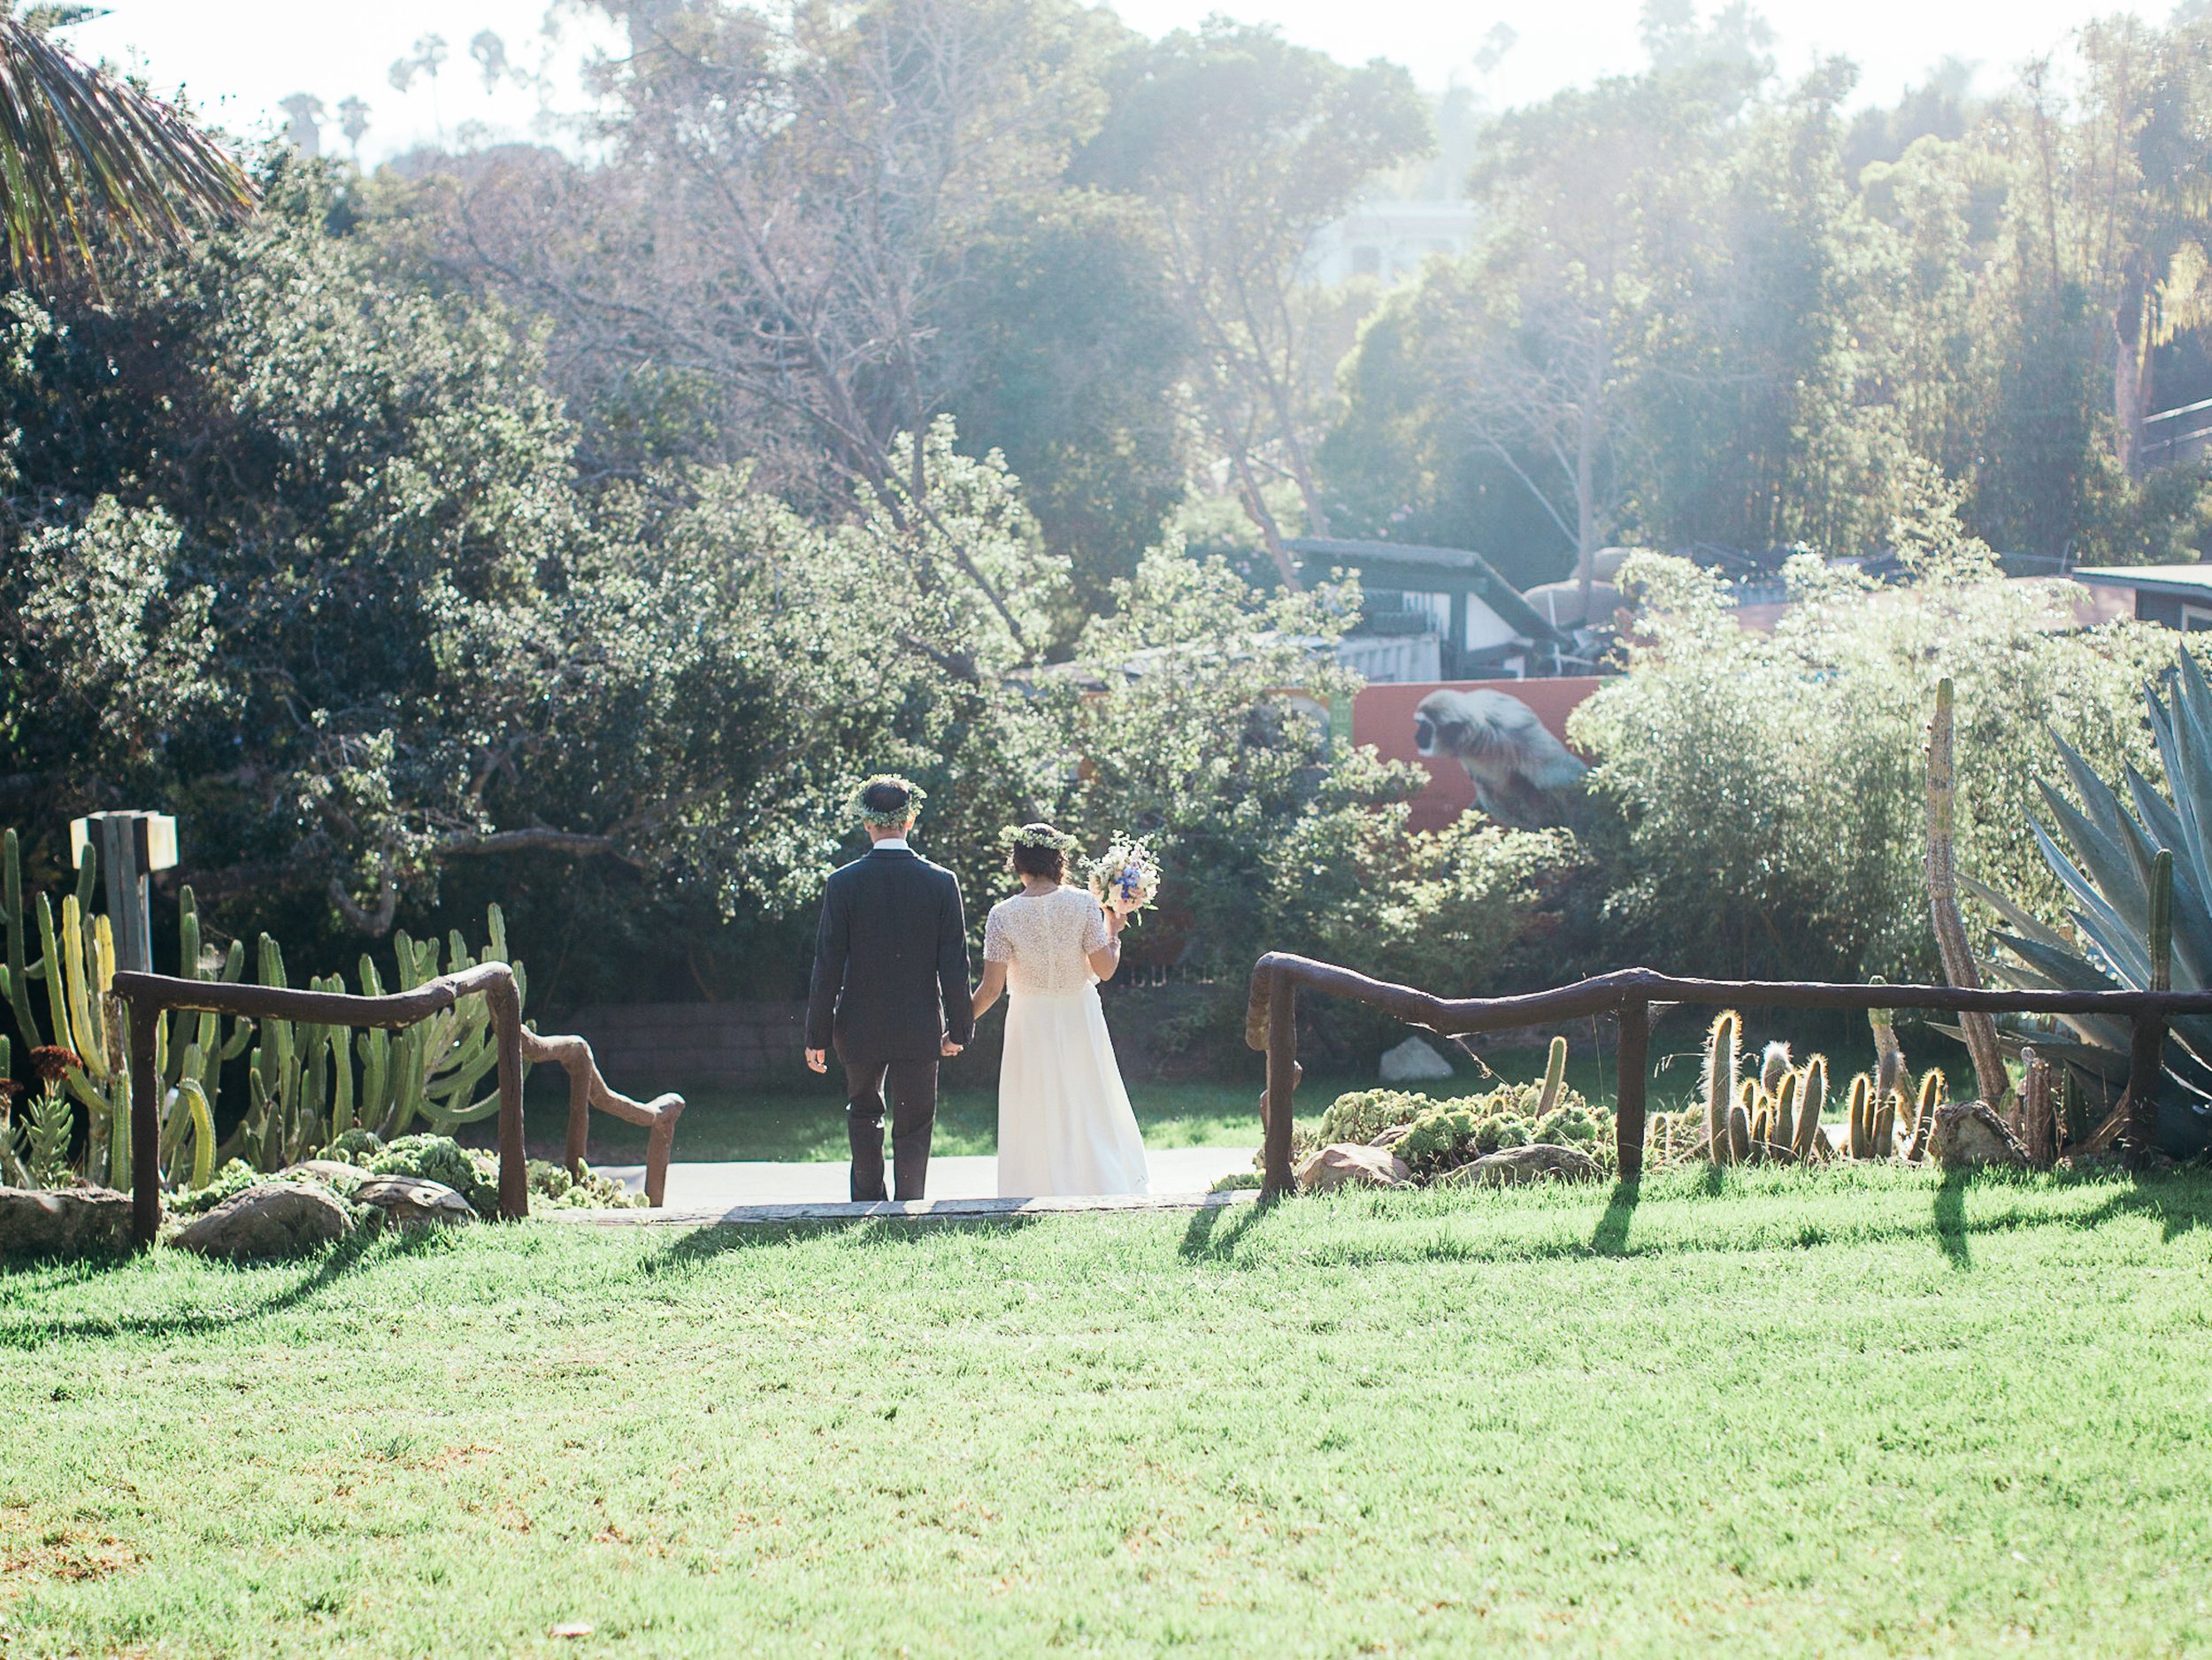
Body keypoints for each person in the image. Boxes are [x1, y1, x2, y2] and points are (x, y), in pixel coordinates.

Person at [804, 775, 973, 1202]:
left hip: (858, 1024)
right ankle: (910, 1202)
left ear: (866, 822)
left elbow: (827, 966)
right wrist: (960, 1029)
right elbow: (954, 964)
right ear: (910, 820)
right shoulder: (940, 881)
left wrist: (816, 1035)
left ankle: (866, 1201)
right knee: (916, 1120)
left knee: (864, 1112)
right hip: (919, 1025)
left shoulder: (843, 883)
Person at [971, 824, 1148, 1197]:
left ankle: (1035, 1185)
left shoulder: (1002, 915)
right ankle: (1099, 1180)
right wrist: (1114, 930)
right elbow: (1105, 970)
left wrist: (957, 1027)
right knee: (1087, 1097)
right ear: (1059, 861)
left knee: (1034, 1102)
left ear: (1017, 863)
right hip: (1078, 1015)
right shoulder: (1083, 903)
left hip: (1029, 1021)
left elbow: (990, 990)